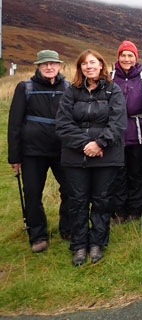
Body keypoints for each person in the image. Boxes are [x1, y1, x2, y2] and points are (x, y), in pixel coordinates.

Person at [55, 50, 127, 266]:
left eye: (93, 62)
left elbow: (118, 122)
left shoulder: (113, 90)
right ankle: (79, 245)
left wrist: (99, 143)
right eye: (84, 64)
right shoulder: (71, 92)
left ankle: (97, 242)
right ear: (80, 68)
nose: (89, 66)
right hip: (75, 157)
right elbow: (63, 123)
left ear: (101, 65)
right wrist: (84, 145)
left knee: (102, 199)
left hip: (106, 155)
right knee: (77, 201)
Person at [8, 50, 71, 253]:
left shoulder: (69, 87)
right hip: (32, 152)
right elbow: (14, 125)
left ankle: (68, 229)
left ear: (59, 65)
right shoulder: (25, 88)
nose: (49, 67)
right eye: (45, 64)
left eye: (53, 63)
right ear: (38, 66)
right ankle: (38, 235)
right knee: (33, 194)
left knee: (70, 190)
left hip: (63, 150)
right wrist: (15, 157)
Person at [110, 41, 142, 223]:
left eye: (130, 55)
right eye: (123, 55)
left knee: (137, 173)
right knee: (118, 174)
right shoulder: (109, 78)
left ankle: (136, 210)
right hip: (115, 135)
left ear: (136, 58)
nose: (127, 59)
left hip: (139, 134)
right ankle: (119, 211)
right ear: (118, 57)